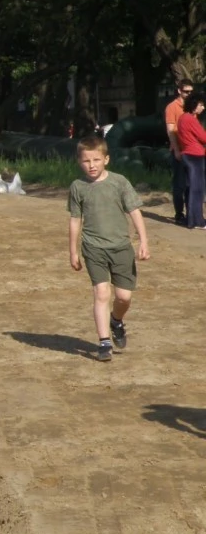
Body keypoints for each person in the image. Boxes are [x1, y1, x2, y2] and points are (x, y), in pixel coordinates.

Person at [68, 135, 150, 362]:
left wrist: (143, 241)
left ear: (107, 159)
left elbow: (134, 211)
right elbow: (75, 220)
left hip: (121, 247)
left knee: (123, 297)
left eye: (96, 160)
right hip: (93, 247)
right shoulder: (78, 187)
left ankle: (116, 321)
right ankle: (104, 342)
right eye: (86, 161)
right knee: (101, 293)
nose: (91, 165)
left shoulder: (119, 182)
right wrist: (73, 251)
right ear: (79, 162)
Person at [165, 80, 194, 225]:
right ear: (179, 91)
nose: (188, 94)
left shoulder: (191, 108)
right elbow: (171, 131)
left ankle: (190, 213)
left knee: (191, 184)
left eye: (190, 92)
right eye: (186, 91)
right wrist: (176, 149)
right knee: (179, 185)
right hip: (179, 151)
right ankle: (179, 214)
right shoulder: (172, 107)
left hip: (191, 151)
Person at [177, 93, 206, 229]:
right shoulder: (191, 120)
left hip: (187, 155)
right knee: (197, 189)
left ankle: (191, 219)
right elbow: (204, 137)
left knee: (190, 188)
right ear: (194, 106)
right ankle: (197, 221)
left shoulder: (182, 118)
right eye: (201, 105)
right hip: (195, 156)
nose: (203, 107)